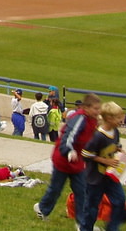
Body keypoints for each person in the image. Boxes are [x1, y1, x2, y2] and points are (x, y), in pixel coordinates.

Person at [34, 93, 102, 225]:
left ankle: (82, 223)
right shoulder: (80, 119)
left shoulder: (93, 120)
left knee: (81, 191)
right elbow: (68, 136)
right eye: (95, 108)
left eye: (99, 108)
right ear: (86, 108)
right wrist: (69, 151)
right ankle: (42, 208)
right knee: (56, 188)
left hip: (77, 163)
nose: (98, 111)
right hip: (63, 159)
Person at [82, 101, 126, 231]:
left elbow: (116, 144)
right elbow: (85, 153)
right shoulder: (97, 136)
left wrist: (119, 150)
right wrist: (104, 161)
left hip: (110, 176)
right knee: (92, 207)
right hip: (95, 178)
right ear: (109, 118)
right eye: (118, 118)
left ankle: (112, 228)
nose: (121, 120)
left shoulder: (116, 132)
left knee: (120, 201)